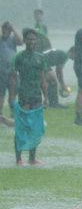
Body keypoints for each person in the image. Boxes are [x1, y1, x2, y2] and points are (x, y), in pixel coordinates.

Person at [8, 28, 48, 166]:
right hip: (24, 95)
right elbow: (13, 78)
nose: (32, 41)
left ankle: (32, 158)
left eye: (34, 39)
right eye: (29, 39)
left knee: (35, 128)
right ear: (24, 41)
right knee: (21, 127)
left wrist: (46, 97)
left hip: (36, 96)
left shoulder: (40, 58)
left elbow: (43, 79)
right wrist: (12, 98)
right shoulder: (19, 57)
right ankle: (18, 158)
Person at [1, 22, 23, 117]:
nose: (6, 31)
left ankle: (13, 114)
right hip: (1, 71)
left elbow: (21, 41)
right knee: (1, 94)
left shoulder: (12, 39)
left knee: (13, 93)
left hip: (12, 71)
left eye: (8, 29)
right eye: (5, 29)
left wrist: (13, 28)